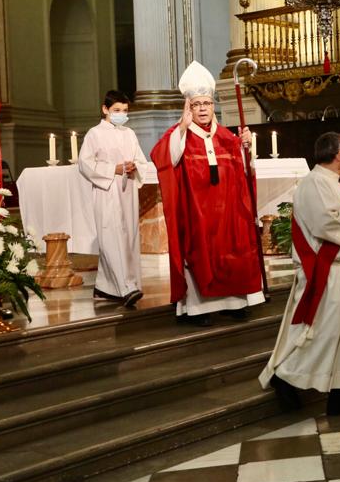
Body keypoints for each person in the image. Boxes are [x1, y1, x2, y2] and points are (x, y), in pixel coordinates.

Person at [259, 132, 340, 415]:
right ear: (337, 155)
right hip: (327, 272)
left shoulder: (331, 183)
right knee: (321, 334)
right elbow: (324, 224)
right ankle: (284, 377)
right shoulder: (314, 183)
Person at [150, 61, 265, 327]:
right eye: (196, 105)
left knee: (232, 252)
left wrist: (247, 148)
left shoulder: (227, 137)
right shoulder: (178, 136)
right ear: (187, 108)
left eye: (207, 104)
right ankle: (197, 308)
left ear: (214, 106)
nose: (202, 109)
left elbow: (245, 173)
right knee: (199, 255)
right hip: (197, 216)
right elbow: (164, 159)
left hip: (227, 216)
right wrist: (181, 128)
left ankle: (234, 303)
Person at [77, 90, 150, 308]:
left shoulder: (129, 133)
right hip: (107, 191)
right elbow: (85, 164)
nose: (121, 114)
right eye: (116, 110)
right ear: (105, 109)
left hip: (127, 191)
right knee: (111, 238)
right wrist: (113, 169)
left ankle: (106, 287)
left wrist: (135, 166)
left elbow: (140, 159)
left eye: (125, 111)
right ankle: (125, 288)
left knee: (128, 238)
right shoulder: (94, 133)